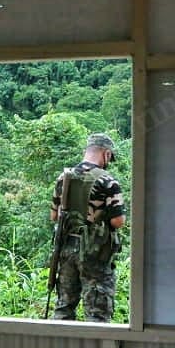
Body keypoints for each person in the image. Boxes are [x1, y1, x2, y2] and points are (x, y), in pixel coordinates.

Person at [49, 133, 126, 322]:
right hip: (95, 252)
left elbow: (54, 216)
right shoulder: (107, 181)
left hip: (66, 250)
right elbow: (118, 221)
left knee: (64, 308)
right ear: (106, 154)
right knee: (97, 314)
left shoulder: (64, 177)